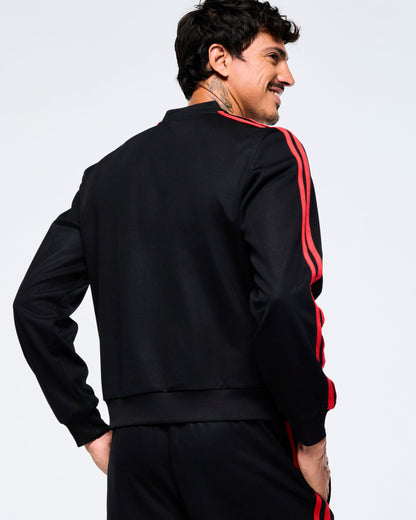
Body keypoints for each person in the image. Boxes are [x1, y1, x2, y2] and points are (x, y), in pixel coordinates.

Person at [12, 0, 337, 518]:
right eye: (273, 57)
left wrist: (90, 429)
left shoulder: (107, 176)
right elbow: (282, 297)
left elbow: (34, 304)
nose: (288, 76)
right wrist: (311, 438)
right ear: (220, 59)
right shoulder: (270, 152)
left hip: (138, 454)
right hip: (244, 441)